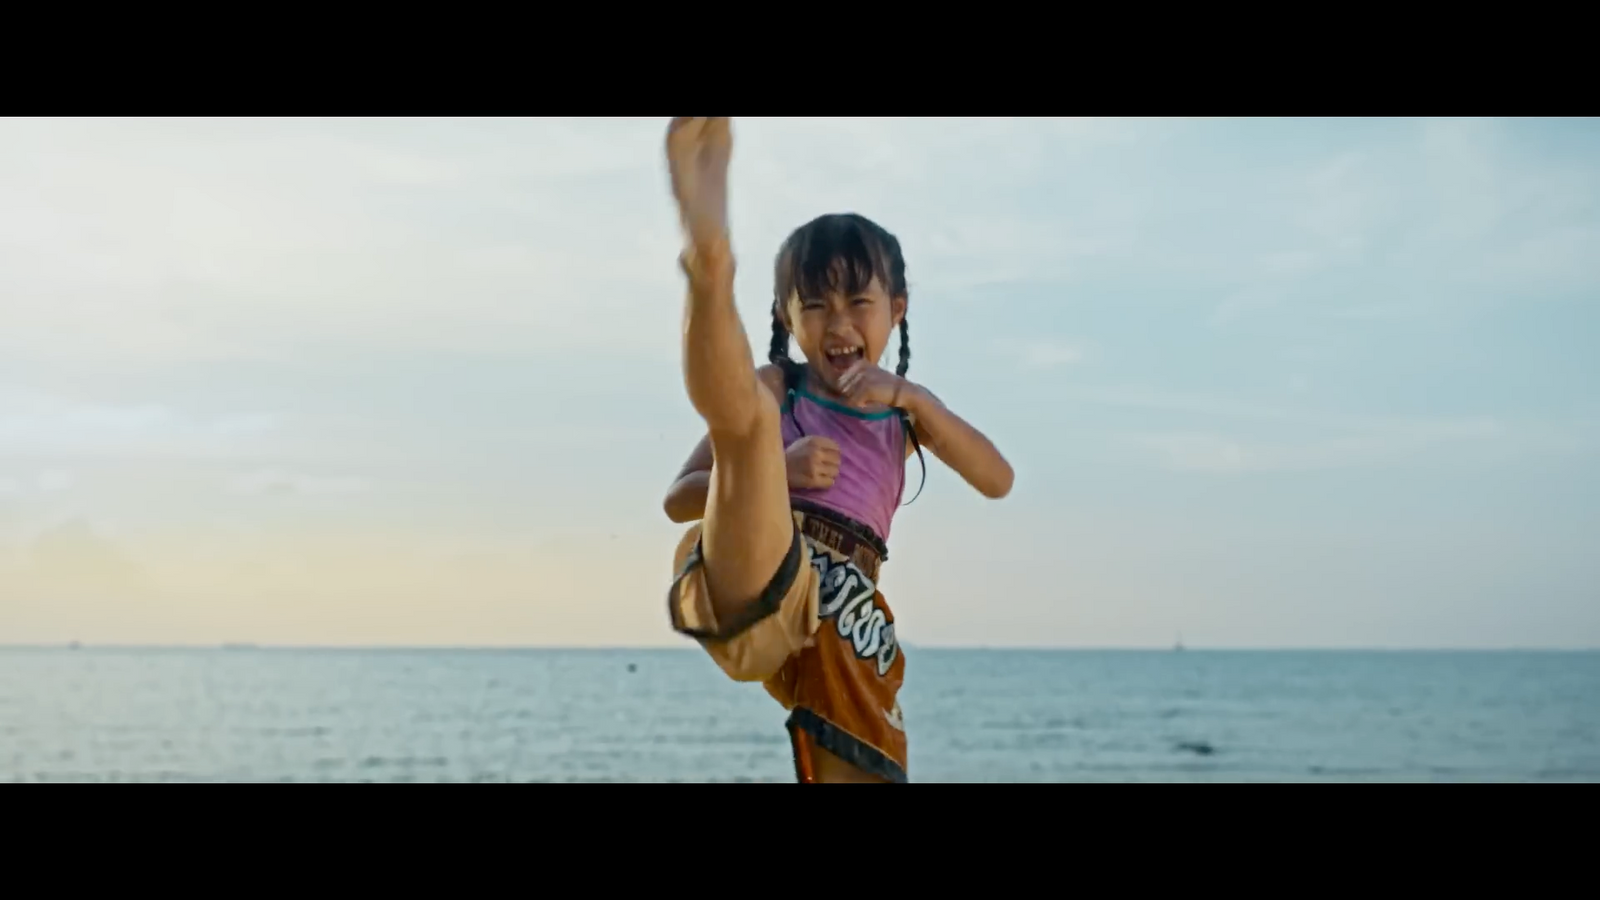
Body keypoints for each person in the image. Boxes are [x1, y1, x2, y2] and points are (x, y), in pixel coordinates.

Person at [661, 117, 1014, 783]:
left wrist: (915, 400)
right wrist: (775, 473)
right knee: (750, 425)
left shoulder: (900, 417)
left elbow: (998, 479)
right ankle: (709, 263)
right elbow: (678, 500)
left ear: (897, 309)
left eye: (860, 301)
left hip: (842, 612)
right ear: (786, 320)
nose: (840, 323)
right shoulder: (779, 388)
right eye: (815, 306)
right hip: (762, 573)